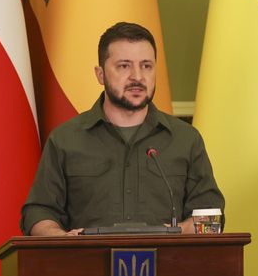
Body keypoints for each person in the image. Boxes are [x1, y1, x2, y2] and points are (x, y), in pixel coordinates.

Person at [21, 22, 224, 236]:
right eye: (124, 66)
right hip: (85, 266)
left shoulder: (185, 139)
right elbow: (37, 213)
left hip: (170, 266)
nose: (137, 76)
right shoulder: (65, 140)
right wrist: (62, 238)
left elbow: (214, 219)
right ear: (100, 74)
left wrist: (180, 231)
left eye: (146, 66)